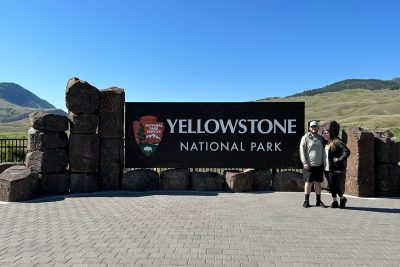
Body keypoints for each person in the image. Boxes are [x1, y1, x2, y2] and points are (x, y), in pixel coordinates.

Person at [299, 120, 327, 208]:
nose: (313, 128)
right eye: (312, 127)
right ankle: (306, 201)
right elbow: (302, 151)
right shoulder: (305, 138)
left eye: (315, 127)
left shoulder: (321, 138)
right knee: (308, 182)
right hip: (309, 165)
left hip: (319, 165)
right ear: (309, 128)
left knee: (318, 183)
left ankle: (318, 201)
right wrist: (304, 162)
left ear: (318, 128)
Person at [321, 127, 350, 208]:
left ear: (331, 133)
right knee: (331, 185)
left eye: (327, 133)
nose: (325, 134)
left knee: (333, 184)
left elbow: (346, 151)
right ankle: (335, 201)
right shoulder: (325, 143)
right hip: (326, 168)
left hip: (334, 167)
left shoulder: (336, 142)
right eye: (324, 133)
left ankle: (342, 198)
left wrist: (339, 159)